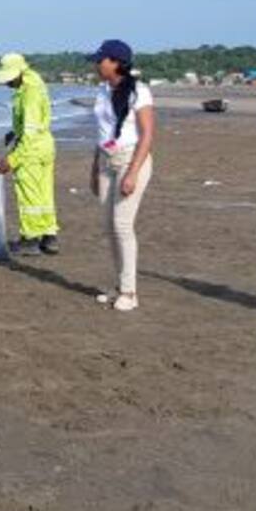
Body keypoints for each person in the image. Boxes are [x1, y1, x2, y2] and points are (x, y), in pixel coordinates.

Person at [88, 40, 155, 311]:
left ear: (116, 62)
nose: (96, 64)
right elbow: (102, 133)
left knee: (122, 225)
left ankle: (130, 292)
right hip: (106, 160)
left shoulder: (139, 91)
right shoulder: (102, 90)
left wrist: (133, 173)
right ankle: (119, 286)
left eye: (100, 60)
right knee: (108, 227)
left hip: (130, 159)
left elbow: (147, 135)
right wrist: (94, 170)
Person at [0, 53, 59, 255]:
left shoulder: (29, 94)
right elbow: (35, 123)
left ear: (18, 73)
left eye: (8, 79)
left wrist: (12, 160)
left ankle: (30, 239)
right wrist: (15, 132)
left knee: (29, 196)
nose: (6, 83)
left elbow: (29, 134)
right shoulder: (36, 83)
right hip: (45, 145)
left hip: (31, 150)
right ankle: (49, 237)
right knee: (44, 193)